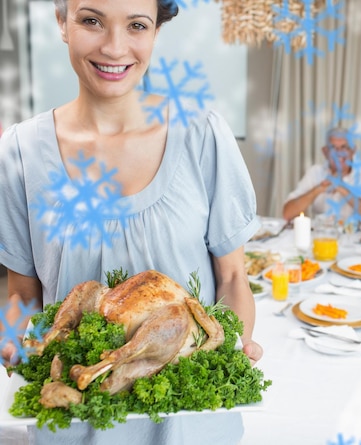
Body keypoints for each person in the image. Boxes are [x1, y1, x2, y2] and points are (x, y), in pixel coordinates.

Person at [0, 0, 261, 443]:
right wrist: (12, 339)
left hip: (190, 428)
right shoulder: (21, 152)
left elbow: (233, 276)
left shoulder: (201, 134)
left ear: (156, 31)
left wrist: (231, 345)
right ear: (63, 23)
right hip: (76, 426)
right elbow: (23, 294)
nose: (115, 47)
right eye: (91, 20)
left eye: (136, 25)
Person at [282, 127, 361, 226]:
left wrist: (342, 188)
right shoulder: (315, 172)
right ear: (325, 152)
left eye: (344, 147)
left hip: (355, 238)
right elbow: (288, 213)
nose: (339, 153)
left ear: (353, 151)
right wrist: (318, 189)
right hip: (322, 236)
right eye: (333, 148)